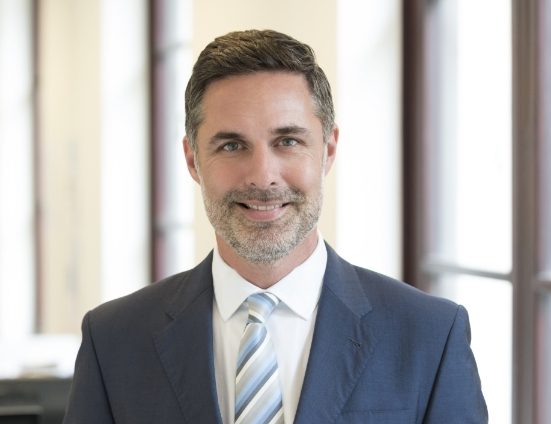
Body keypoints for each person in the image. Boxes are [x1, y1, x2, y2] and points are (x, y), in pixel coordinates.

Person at [63, 29, 488, 424]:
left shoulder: (429, 336)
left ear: (328, 150)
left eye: (287, 141)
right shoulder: (114, 340)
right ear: (193, 160)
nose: (263, 176)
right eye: (231, 145)